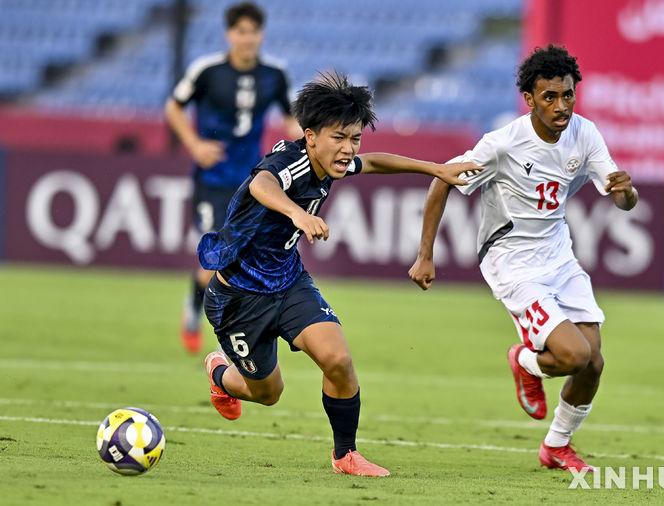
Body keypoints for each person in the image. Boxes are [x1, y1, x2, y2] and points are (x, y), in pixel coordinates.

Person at [199, 71, 479, 476]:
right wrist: (297, 213)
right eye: (339, 138)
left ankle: (345, 455)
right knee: (267, 393)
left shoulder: (332, 162)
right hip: (238, 299)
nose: (348, 149)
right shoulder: (291, 162)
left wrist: (436, 169)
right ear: (310, 136)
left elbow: (375, 162)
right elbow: (262, 184)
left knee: (338, 360)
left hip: (288, 283)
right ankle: (219, 374)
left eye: (355, 138)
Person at [408, 45, 638, 473]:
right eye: (550, 97)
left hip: (558, 255)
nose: (561, 106)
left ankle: (557, 446)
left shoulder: (585, 134)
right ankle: (524, 361)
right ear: (530, 99)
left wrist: (627, 193)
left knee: (594, 362)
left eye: (567, 95)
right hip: (511, 262)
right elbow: (442, 181)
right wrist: (425, 255)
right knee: (573, 356)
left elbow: (622, 198)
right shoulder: (502, 144)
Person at [165, 2, 302, 354]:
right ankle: (194, 307)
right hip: (212, 180)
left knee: (248, 257)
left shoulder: (274, 74)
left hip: (254, 184)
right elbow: (174, 106)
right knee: (218, 258)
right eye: (241, 32)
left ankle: (243, 328)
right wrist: (194, 144)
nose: (247, 38)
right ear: (229, 34)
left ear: (261, 34)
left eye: (253, 32)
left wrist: (309, 144)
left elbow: (290, 119)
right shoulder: (208, 70)